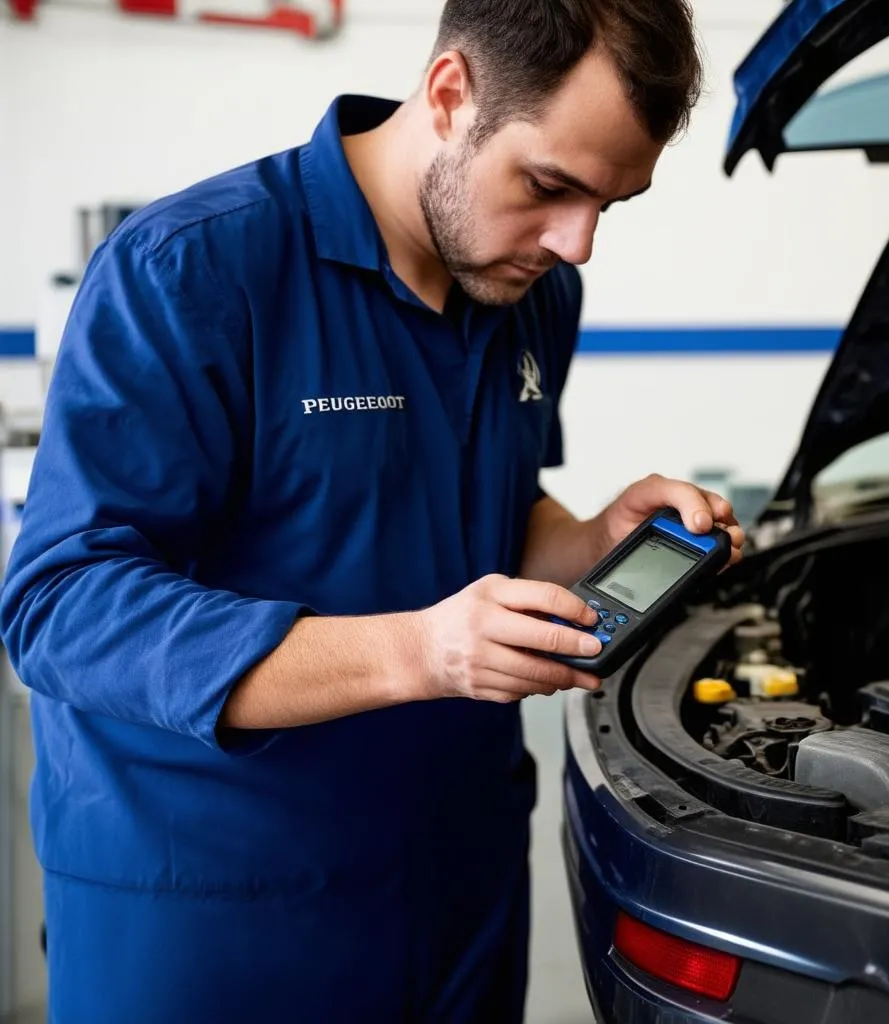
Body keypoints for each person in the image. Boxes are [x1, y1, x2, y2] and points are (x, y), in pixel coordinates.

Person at [0, 1, 744, 1021]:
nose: (574, 245)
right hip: (215, 920)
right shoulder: (191, 272)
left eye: (608, 205)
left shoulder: (525, 291)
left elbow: (481, 512)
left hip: (458, 893)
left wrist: (591, 543)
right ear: (449, 95)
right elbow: (62, 605)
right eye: (549, 186)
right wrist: (419, 653)